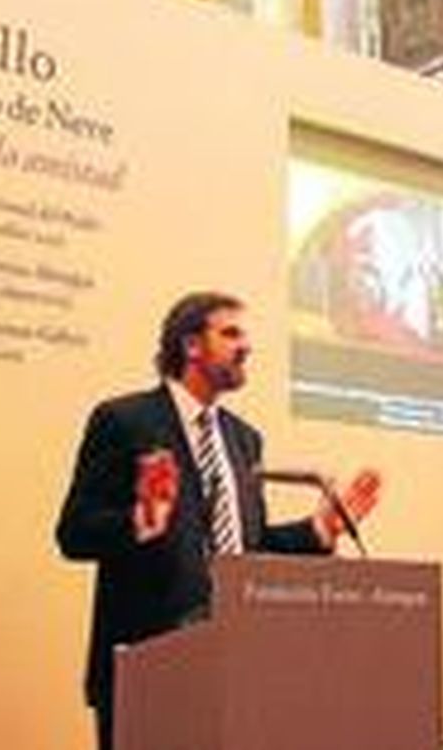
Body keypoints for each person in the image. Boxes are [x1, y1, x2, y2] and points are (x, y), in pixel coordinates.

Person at [56, 291, 383, 750]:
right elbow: (73, 532)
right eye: (230, 333)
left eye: (245, 335)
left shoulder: (244, 440)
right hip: (147, 667)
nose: (246, 346)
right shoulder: (125, 421)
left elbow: (247, 544)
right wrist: (140, 520)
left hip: (235, 666)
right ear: (190, 345)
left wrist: (316, 531)